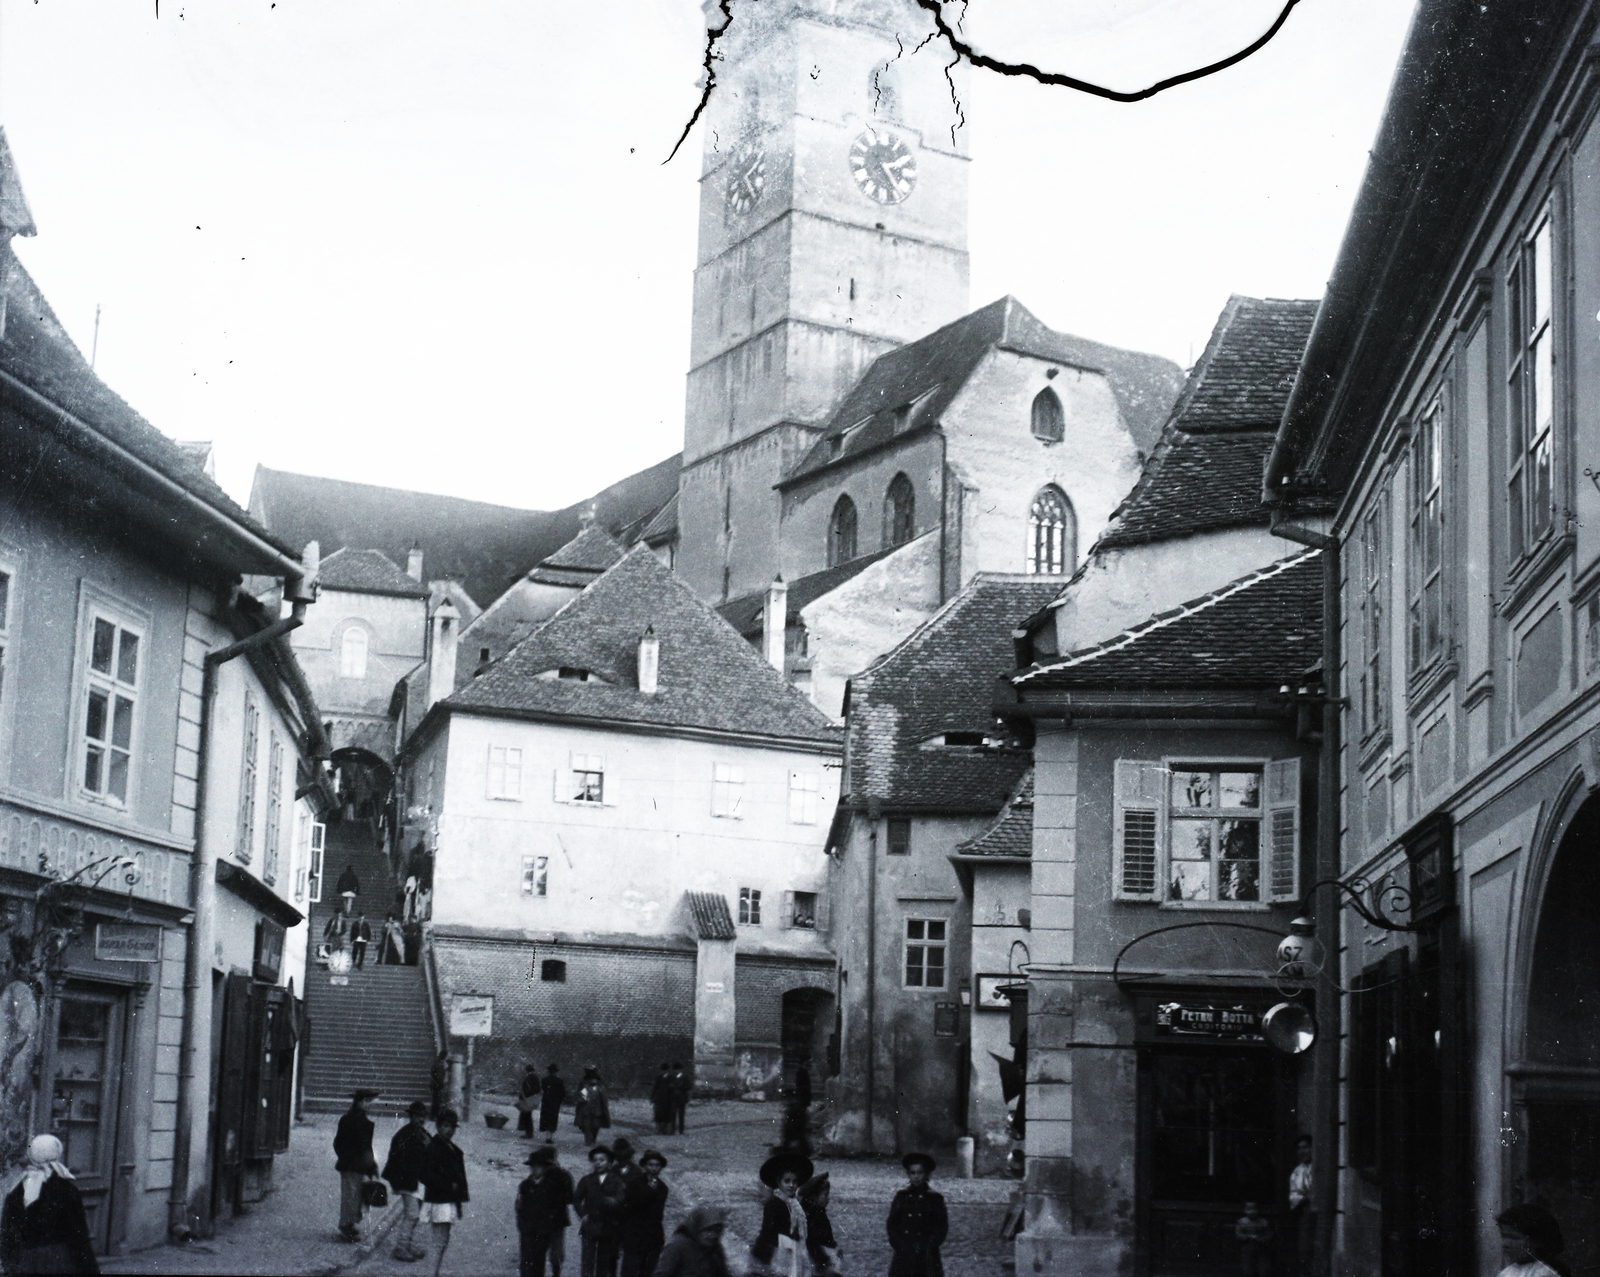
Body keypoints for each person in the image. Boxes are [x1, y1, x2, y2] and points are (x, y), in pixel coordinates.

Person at [0, 1134, 98, 1275]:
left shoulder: (16, 1190)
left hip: (24, 1263)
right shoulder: (67, 1190)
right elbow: (79, 1236)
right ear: (57, 1155)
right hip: (60, 1261)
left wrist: (10, 1265)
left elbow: (7, 1235)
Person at [420, 1109, 470, 1277]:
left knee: (442, 1241)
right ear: (438, 1127)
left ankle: (433, 1272)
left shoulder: (448, 1146)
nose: (450, 1130)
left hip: (447, 1199)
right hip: (439, 1199)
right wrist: (449, 1185)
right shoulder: (434, 1148)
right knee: (438, 1241)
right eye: (446, 1126)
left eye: (452, 1127)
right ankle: (430, 1273)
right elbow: (426, 1175)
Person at [384, 1100, 433, 1262]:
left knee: (415, 1215)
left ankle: (407, 1245)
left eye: (423, 1116)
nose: (421, 1119)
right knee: (412, 1215)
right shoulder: (404, 1135)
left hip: (418, 1182)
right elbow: (397, 1161)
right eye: (418, 1116)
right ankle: (401, 1247)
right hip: (407, 1182)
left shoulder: (422, 1133)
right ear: (411, 1116)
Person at [752, 1150, 813, 1275]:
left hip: (794, 1248)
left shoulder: (796, 1205)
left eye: (794, 1182)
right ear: (779, 1183)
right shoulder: (773, 1204)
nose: (791, 1185)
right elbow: (767, 1231)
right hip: (779, 1250)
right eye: (787, 1181)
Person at [886, 1153, 947, 1277]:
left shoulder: (934, 1199)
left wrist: (931, 1244)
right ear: (908, 1175)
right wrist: (898, 1243)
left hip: (926, 1254)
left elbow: (941, 1226)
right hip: (904, 1252)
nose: (916, 1177)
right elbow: (892, 1222)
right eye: (912, 1173)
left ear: (926, 1175)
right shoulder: (902, 1197)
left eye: (920, 1173)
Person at [518, 1145, 574, 1277]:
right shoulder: (531, 1182)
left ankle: (555, 1273)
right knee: (546, 1253)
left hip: (555, 1220)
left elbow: (568, 1198)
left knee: (552, 1253)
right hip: (549, 1221)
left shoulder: (559, 1176)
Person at [573, 1144, 627, 1277]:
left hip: (608, 1226)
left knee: (603, 1261)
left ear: (609, 1163)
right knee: (587, 1260)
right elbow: (576, 1199)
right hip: (590, 1225)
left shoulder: (616, 1181)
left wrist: (614, 1201)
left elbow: (622, 1198)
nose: (598, 1163)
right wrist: (582, 1214)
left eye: (602, 1160)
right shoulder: (587, 1180)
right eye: (595, 1160)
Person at [334, 1088, 380, 1242]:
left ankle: (349, 1224)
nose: (370, 1105)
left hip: (349, 1164)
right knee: (352, 1196)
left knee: (352, 1195)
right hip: (355, 1165)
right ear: (360, 1102)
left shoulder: (346, 1119)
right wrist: (371, 1165)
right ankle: (346, 1226)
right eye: (368, 1102)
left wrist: (344, 1156)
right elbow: (366, 1147)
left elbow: (337, 1143)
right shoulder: (363, 1123)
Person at [620, 1150, 668, 1277]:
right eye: (650, 1165)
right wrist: (650, 1191)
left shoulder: (663, 1188)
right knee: (630, 1271)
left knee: (648, 1271)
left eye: (657, 1165)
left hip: (653, 1237)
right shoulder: (634, 1184)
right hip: (634, 1235)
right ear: (645, 1166)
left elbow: (658, 1214)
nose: (654, 1168)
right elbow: (630, 1206)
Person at [651, 1205, 731, 1277]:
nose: (713, 1235)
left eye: (717, 1231)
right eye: (708, 1230)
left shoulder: (715, 1249)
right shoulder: (677, 1246)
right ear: (697, 1228)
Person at [1497, 1203, 1570, 1277]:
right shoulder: (1507, 1272)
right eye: (1504, 1236)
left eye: (1514, 1238)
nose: (1505, 1244)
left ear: (1537, 1241)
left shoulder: (1544, 1272)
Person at [799, 1173, 841, 1277]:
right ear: (814, 1197)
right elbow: (812, 1240)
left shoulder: (815, 1213)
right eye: (825, 1194)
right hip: (821, 1259)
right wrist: (823, 1261)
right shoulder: (815, 1215)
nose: (828, 1198)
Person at [1288, 1134, 1313, 1277]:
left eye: (1306, 1147)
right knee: (1304, 1250)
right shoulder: (1297, 1172)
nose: (1302, 1151)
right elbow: (1294, 1196)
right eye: (1299, 1148)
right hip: (1305, 1211)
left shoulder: (1319, 1169)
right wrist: (1306, 1198)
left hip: (1320, 1212)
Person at [575, 1067, 611, 1147]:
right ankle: (588, 1141)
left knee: (595, 1126)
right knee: (587, 1126)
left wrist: (604, 1109)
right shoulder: (585, 1087)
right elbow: (579, 1097)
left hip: (597, 1111)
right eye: (592, 1079)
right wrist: (583, 1099)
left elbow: (604, 1100)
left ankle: (593, 1139)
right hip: (586, 1111)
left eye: (595, 1079)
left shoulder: (600, 1089)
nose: (593, 1081)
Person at [1235, 1201, 1273, 1277]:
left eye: (1255, 1209)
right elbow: (1238, 1234)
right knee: (1247, 1269)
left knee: (1264, 1270)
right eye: (1249, 1209)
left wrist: (1261, 1238)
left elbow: (1269, 1234)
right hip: (1247, 1248)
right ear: (1245, 1210)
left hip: (1261, 1248)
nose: (1252, 1211)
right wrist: (1247, 1237)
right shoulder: (1242, 1222)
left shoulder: (1263, 1222)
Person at [540, 1063, 568, 1143]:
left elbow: (544, 1090)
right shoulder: (559, 1081)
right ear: (555, 1072)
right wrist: (560, 1100)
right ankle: (549, 1137)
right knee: (553, 1119)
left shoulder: (544, 1080)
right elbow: (562, 1093)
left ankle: (547, 1136)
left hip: (546, 1102)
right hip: (555, 1102)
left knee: (546, 1118)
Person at [651, 1063, 676, 1136]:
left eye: (665, 1070)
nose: (664, 1072)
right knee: (659, 1115)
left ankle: (666, 1129)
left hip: (669, 1100)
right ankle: (659, 1129)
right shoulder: (658, 1078)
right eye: (663, 1070)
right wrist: (652, 1097)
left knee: (668, 1115)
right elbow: (654, 1088)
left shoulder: (671, 1078)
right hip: (659, 1100)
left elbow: (674, 1089)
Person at [519, 1062, 543, 1138]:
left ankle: (528, 1133)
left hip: (527, 1099)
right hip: (531, 1099)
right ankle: (529, 1132)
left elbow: (527, 1089)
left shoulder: (529, 1077)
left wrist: (524, 1096)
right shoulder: (535, 1077)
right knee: (528, 1116)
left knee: (527, 1116)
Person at [670, 1062, 691, 1134]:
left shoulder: (685, 1077)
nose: (677, 1071)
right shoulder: (671, 1077)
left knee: (681, 1115)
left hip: (681, 1098)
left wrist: (682, 1088)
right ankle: (672, 1129)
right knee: (673, 1115)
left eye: (678, 1070)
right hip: (673, 1098)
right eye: (675, 1070)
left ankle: (681, 1130)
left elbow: (689, 1086)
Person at [430, 1049, 451, 1120]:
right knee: (438, 1101)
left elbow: (432, 1072)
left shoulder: (437, 1063)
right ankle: (435, 1115)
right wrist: (441, 1082)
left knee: (435, 1100)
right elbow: (442, 1075)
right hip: (439, 1084)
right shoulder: (443, 1064)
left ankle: (433, 1115)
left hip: (435, 1084)